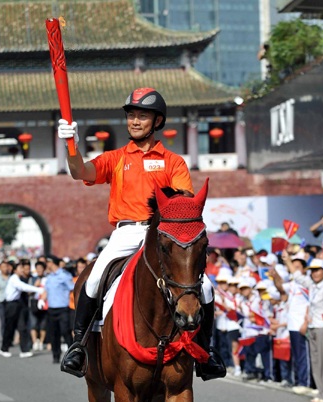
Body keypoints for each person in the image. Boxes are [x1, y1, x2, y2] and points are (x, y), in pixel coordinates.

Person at [58, 87, 218, 379]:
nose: (134, 121)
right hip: (127, 232)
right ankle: (78, 346)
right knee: (94, 277)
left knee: (205, 287)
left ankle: (206, 353)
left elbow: (183, 203)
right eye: (131, 115)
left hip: (162, 235)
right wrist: (71, 144)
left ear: (157, 121)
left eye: (142, 116)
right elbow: (79, 171)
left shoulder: (174, 162)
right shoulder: (116, 158)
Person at [292, 259, 323, 402]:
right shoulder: (313, 286)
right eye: (313, 270)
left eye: (318, 270)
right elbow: (298, 276)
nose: (315, 273)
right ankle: (321, 391)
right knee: (316, 361)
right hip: (313, 327)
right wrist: (287, 260)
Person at [270, 250, 311, 394]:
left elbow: (309, 306)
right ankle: (299, 381)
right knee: (296, 355)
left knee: (303, 355)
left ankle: (305, 382)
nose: (294, 270)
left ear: (304, 269)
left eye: (297, 267)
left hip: (301, 325)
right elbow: (280, 287)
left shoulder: (307, 284)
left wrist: (305, 322)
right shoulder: (293, 284)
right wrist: (274, 276)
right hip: (292, 325)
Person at [0, 263, 41, 359]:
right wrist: (39, 289)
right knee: (9, 327)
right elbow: (23, 287)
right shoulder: (14, 279)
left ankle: (25, 350)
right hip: (10, 305)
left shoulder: (17, 278)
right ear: (15, 270)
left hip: (17, 304)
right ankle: (4, 348)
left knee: (22, 327)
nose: (22, 270)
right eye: (20, 268)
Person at [41, 255, 74, 364]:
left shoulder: (65, 275)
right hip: (52, 309)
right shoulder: (49, 277)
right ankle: (56, 355)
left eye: (48, 262)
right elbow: (46, 291)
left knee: (65, 332)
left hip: (63, 308)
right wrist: (41, 300)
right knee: (54, 333)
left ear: (52, 263)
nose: (47, 264)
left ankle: (72, 355)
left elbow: (73, 288)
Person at [30, 261, 47, 351]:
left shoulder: (47, 278)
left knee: (43, 324)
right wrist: (34, 286)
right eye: (37, 268)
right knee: (33, 323)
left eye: (41, 268)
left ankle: (41, 341)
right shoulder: (32, 279)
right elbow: (28, 291)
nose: (39, 270)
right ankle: (34, 342)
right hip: (34, 302)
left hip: (45, 303)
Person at [0, 261, 10, 339]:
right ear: (0, 268)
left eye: (6, 266)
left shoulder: (11, 278)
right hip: (1, 302)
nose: (5, 268)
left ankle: (10, 337)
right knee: (3, 320)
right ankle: (4, 338)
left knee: (10, 320)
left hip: (10, 301)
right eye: (3, 267)